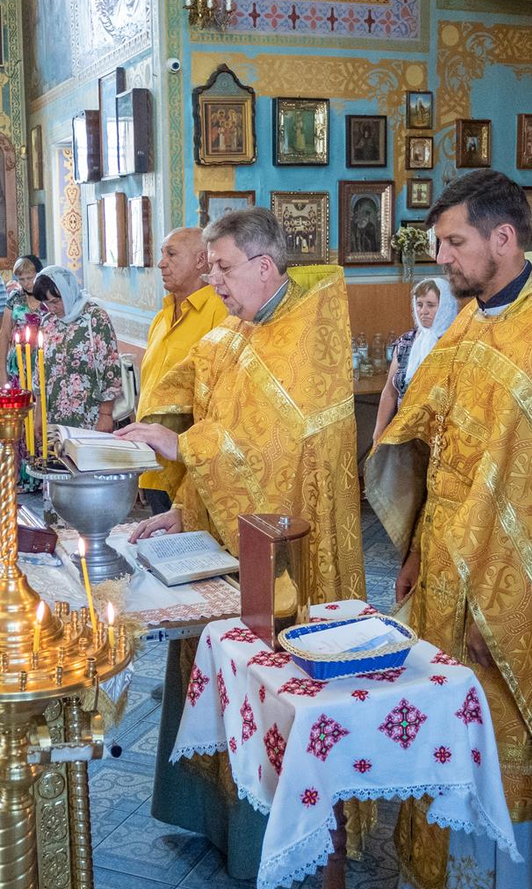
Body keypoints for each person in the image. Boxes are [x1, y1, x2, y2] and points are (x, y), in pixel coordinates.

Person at [366, 170, 532, 889]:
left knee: (499, 743)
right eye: (440, 242)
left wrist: (498, 608)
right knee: (445, 731)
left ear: (504, 238)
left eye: (454, 242)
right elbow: (437, 445)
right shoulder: (473, 321)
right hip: (445, 565)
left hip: (506, 593)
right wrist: (410, 549)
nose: (442, 257)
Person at [115, 207, 366, 878]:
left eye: (223, 267)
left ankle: (282, 838)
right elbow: (222, 427)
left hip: (290, 561)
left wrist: (180, 443)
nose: (214, 280)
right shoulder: (236, 330)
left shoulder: (309, 333)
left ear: (263, 266)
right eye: (212, 267)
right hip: (221, 535)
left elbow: (282, 455)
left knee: (269, 688)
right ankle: (219, 822)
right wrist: (186, 512)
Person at [137, 227, 226, 515]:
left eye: (171, 254)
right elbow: (150, 389)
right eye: (162, 254)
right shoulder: (161, 317)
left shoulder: (219, 312)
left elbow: (219, 396)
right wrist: (141, 463)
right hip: (154, 465)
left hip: (191, 466)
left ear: (201, 260)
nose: (161, 263)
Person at [32, 265, 121, 432]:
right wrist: (39, 414)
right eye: (46, 304)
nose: (51, 309)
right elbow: (40, 371)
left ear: (67, 291)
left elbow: (110, 369)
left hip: (90, 415)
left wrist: (106, 415)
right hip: (54, 415)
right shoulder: (48, 322)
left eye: (55, 302)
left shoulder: (94, 318)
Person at [373, 278, 457, 443]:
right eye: (419, 304)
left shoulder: (454, 345)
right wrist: (378, 434)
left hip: (441, 437)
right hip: (403, 433)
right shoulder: (406, 342)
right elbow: (390, 392)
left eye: (431, 305)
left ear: (446, 307)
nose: (423, 311)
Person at [0, 255, 44, 490]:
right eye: (22, 278)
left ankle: (41, 471)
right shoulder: (14, 300)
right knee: (19, 419)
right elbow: (4, 334)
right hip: (17, 366)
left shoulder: (48, 299)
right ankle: (21, 475)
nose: (27, 283)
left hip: (42, 365)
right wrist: (2, 374)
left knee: (40, 416)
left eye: (31, 277)